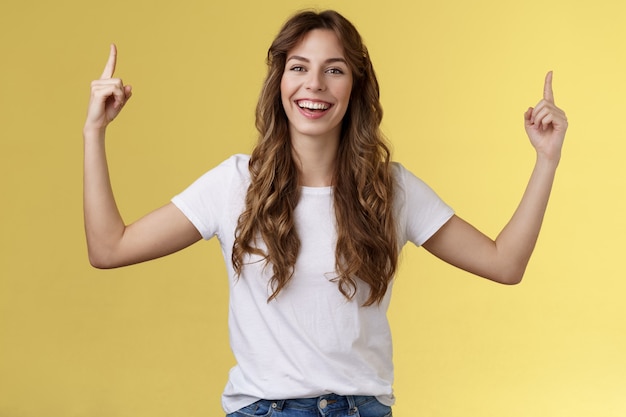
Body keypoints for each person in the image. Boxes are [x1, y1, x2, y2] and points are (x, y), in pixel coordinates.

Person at [83, 9, 567, 417]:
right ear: (279, 81)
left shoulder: (390, 190)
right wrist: (94, 133)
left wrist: (546, 159)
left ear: (355, 86)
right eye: (299, 67)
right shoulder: (234, 184)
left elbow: (505, 264)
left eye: (334, 69)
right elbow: (109, 248)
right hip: (265, 409)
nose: (313, 84)